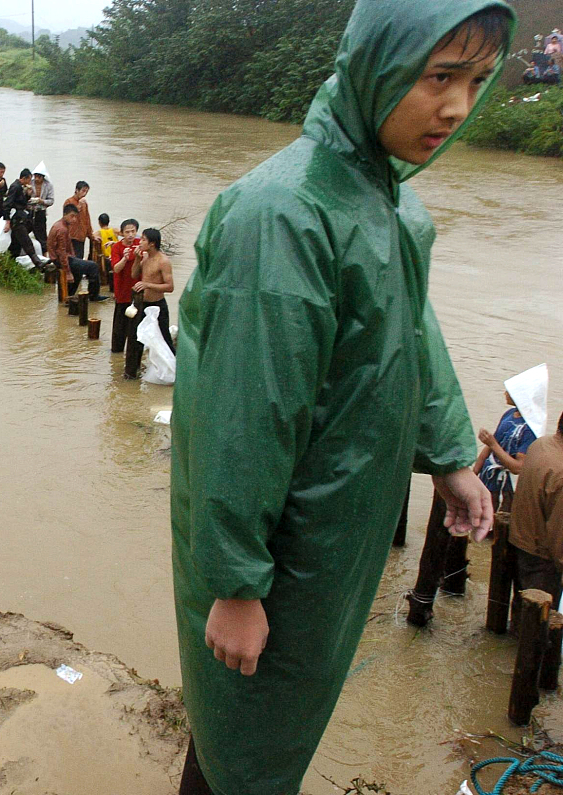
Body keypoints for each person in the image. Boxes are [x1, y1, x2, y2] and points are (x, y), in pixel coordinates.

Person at [170, 2, 510, 793]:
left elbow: (413, 337)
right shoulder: (282, 216)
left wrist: (450, 459)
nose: (457, 107)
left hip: (338, 535)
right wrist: (235, 583)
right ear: (375, 67)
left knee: (269, 727)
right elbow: (242, 415)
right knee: (243, 732)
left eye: (477, 81)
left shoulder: (393, 206)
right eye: (439, 77)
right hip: (283, 543)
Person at [510, 410, 563, 609]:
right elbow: (559, 536)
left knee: (522, 608)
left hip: (518, 539)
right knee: (540, 619)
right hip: (541, 558)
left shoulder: (541, 444)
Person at [475, 365, 547, 512]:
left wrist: (493, 444)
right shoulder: (509, 414)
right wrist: (474, 474)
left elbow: (517, 467)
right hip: (487, 479)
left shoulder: (529, 430)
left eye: (509, 391)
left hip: (504, 488)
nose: (505, 393)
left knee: (496, 520)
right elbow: (489, 447)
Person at [131, 228, 176, 353]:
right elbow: (134, 275)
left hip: (157, 305)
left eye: (143, 240)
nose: (140, 242)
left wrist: (148, 285)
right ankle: (136, 364)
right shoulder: (145, 257)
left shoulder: (163, 261)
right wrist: (137, 259)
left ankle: (173, 362)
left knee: (164, 339)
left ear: (152, 243)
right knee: (137, 338)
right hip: (142, 303)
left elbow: (170, 287)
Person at [47, 204, 105, 300]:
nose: (74, 219)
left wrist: (74, 258)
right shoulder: (62, 229)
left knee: (79, 271)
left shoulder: (60, 225)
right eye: (72, 216)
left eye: (75, 217)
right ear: (65, 214)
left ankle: (69, 295)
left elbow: (67, 247)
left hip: (60, 258)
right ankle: (93, 296)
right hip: (60, 260)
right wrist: (67, 272)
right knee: (93, 266)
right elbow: (62, 252)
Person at [3, 169, 50, 269]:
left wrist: (28, 195)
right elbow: (7, 204)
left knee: (15, 244)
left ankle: (10, 264)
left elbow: (22, 203)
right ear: (24, 178)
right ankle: (38, 262)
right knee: (26, 241)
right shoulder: (15, 187)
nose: (30, 182)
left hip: (22, 218)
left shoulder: (20, 187)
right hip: (17, 220)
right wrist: (7, 221)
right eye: (29, 179)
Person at [109, 219, 141, 354]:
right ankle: (116, 353)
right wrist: (125, 258)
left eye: (133, 231)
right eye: (127, 232)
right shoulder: (116, 247)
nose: (130, 235)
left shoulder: (140, 244)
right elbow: (116, 269)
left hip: (138, 291)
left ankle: (134, 352)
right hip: (122, 291)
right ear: (122, 233)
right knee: (119, 326)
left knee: (137, 325)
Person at [67, 181, 100, 259]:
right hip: (71, 236)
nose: (84, 194)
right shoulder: (69, 202)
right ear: (76, 190)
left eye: (86, 192)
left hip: (81, 236)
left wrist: (91, 236)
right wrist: (79, 206)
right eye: (83, 191)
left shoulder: (85, 204)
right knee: (72, 258)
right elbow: (67, 217)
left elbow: (87, 220)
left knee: (80, 258)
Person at [29, 164, 54, 249]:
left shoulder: (48, 185)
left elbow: (51, 201)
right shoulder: (30, 183)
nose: (37, 179)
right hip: (30, 211)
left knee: (42, 235)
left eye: (39, 177)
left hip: (41, 212)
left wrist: (42, 201)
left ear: (43, 177)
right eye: (35, 176)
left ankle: (44, 252)